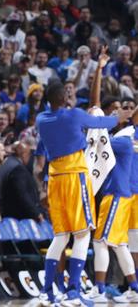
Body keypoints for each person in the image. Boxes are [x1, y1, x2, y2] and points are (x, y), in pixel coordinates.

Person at [35, 68, 132, 304]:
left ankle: (47, 292)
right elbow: (103, 122)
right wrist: (120, 116)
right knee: (82, 235)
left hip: (54, 179)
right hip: (75, 177)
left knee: (60, 237)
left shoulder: (41, 119)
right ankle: (73, 291)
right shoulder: (74, 115)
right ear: (64, 98)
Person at [85, 49, 138, 303]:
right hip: (121, 194)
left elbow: (98, 115)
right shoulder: (113, 133)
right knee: (119, 245)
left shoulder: (123, 137)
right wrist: (98, 69)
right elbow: (95, 107)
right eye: (116, 109)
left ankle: (99, 288)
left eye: (124, 108)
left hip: (117, 194)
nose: (121, 112)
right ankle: (134, 288)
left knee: (101, 241)